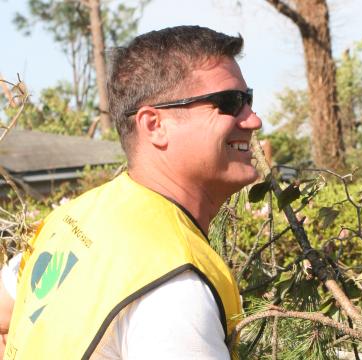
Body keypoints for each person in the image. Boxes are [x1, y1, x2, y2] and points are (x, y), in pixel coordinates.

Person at [0, 25, 262, 359]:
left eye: (248, 100)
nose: (253, 120)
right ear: (155, 125)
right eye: (229, 103)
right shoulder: (176, 288)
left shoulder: (76, 216)